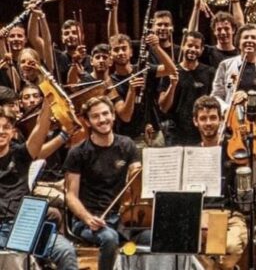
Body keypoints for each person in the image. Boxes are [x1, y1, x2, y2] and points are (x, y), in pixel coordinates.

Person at [64, 96, 149, 270]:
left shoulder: (127, 145)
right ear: (87, 122)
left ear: (113, 115)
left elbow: (136, 177)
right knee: (109, 239)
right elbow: (71, 195)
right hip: (89, 220)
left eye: (105, 114)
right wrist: (88, 219)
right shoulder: (78, 153)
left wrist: (139, 173)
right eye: (96, 116)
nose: (102, 119)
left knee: (153, 237)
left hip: (122, 219)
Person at [0, 99, 78, 270]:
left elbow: (40, 128)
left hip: (25, 228)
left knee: (66, 251)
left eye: (5, 127)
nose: (1, 131)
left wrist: (47, 104)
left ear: (13, 132)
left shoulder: (20, 154)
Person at [211, 23, 256, 209]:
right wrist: (228, 107)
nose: (249, 41)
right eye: (245, 37)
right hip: (232, 130)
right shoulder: (226, 65)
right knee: (231, 179)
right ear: (238, 42)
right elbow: (216, 95)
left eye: (253, 38)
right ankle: (233, 216)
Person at [192, 95, 248, 270]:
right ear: (195, 122)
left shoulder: (234, 150)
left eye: (213, 118)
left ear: (221, 120)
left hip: (230, 214)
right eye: (203, 118)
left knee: (229, 248)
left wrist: (242, 113)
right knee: (187, 247)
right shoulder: (191, 154)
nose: (208, 123)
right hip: (200, 215)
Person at [159, 30, 215, 145]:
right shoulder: (170, 71)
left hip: (201, 132)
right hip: (175, 133)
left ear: (202, 50)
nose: (193, 49)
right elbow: (163, 107)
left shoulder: (209, 72)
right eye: (189, 45)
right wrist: (172, 85)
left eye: (197, 47)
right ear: (183, 46)